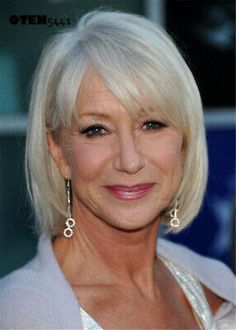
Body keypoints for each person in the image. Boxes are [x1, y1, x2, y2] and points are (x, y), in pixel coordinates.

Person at [0, 10, 235, 330]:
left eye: (152, 124)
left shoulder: (217, 287)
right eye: (96, 130)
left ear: (185, 140)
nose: (129, 160)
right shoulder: (24, 315)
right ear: (58, 151)